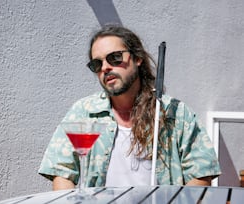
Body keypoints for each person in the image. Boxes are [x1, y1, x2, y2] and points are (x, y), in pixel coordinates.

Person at [38, 25, 221, 190]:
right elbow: (61, 171)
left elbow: (201, 172)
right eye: (97, 64)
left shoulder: (175, 113)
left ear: (137, 58)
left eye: (115, 58)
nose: (106, 68)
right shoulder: (84, 112)